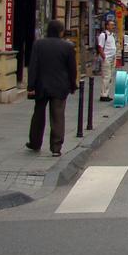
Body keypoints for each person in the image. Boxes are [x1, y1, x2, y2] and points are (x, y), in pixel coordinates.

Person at [26, 19, 78, 156]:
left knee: (38, 114)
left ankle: (35, 142)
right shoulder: (67, 47)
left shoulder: (38, 44)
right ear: (60, 32)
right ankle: (56, 147)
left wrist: (30, 85)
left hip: (41, 86)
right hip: (60, 86)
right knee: (58, 116)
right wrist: (73, 85)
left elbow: (33, 66)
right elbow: (72, 69)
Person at [96, 17, 118, 101]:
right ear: (107, 26)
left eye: (113, 25)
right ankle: (103, 95)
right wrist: (104, 57)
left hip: (112, 58)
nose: (113, 26)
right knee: (106, 76)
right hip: (107, 58)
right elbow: (100, 47)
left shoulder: (112, 35)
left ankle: (107, 93)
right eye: (111, 25)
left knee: (110, 77)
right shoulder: (103, 35)